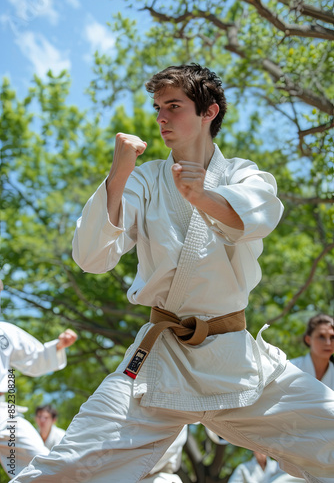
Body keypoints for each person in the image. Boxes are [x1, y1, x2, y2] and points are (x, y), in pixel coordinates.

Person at [11, 64, 334, 483]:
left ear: (209, 112)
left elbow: (260, 216)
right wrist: (118, 172)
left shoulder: (240, 174)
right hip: (159, 360)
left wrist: (203, 196)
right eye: (158, 107)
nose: (161, 117)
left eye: (174, 106)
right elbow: (92, 257)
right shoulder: (143, 180)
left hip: (234, 358)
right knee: (66, 467)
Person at [0, 319, 77, 478]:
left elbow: (35, 358)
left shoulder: (5, 331)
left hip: (3, 415)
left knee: (45, 466)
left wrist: (58, 346)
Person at [290, 314, 334, 388]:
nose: (328, 343)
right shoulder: (291, 368)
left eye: (332, 337)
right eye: (321, 336)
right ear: (308, 339)